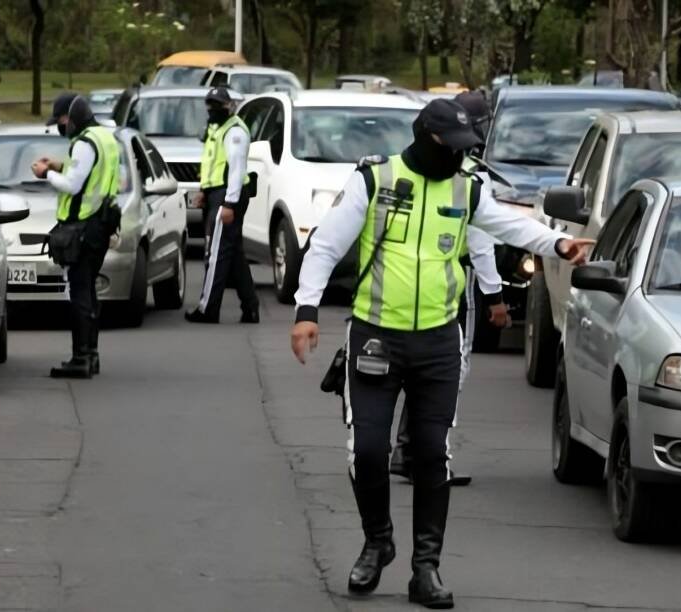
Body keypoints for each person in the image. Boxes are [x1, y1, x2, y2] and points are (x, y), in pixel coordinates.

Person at [290, 98, 593, 609]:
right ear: (427, 139)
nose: (460, 155)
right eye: (452, 147)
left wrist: (557, 245)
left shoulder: (465, 188)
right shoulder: (375, 181)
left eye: (465, 148)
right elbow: (325, 247)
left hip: (437, 342)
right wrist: (306, 310)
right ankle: (377, 542)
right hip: (376, 336)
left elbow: (509, 225)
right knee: (368, 451)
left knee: (433, 455)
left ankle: (425, 568)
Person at [389, 90, 504, 487]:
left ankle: (409, 450)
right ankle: (432, 456)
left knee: (422, 370)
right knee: (451, 369)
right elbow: (481, 242)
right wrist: (495, 295)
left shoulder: (430, 167)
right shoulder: (471, 177)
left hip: (418, 281)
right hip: (456, 280)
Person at [32, 93, 121, 379]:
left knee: (80, 292)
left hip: (83, 226)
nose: (61, 125)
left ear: (72, 117)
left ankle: (80, 358)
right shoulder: (104, 137)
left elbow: (73, 185)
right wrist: (59, 165)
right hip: (101, 223)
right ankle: (91, 355)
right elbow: (90, 173)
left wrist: (46, 174)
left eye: (61, 120)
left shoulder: (83, 143)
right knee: (89, 291)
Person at [185, 86, 260, 324]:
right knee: (233, 252)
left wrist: (228, 203)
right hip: (218, 193)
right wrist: (204, 191)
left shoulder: (234, 131)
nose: (212, 109)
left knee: (216, 253)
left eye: (218, 104)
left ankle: (208, 309)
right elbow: (212, 165)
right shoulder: (216, 129)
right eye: (210, 104)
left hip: (228, 195)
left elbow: (236, 169)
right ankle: (251, 307)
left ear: (229, 106)